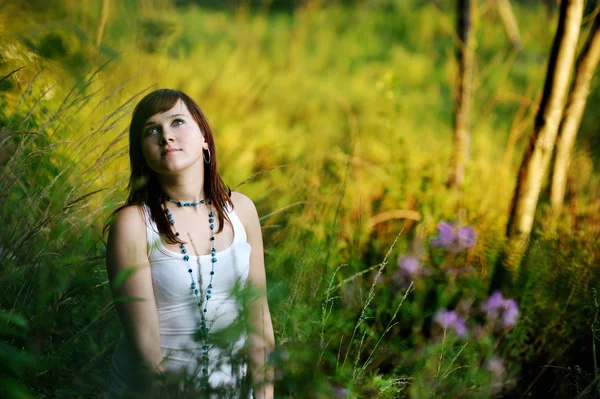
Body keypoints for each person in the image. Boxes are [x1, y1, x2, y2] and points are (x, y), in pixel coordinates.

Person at [104, 89, 275, 398]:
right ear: (142, 151)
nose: (166, 136)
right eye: (151, 130)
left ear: (204, 138)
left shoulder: (242, 211)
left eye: (177, 122)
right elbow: (148, 356)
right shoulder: (132, 225)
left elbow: (260, 328)